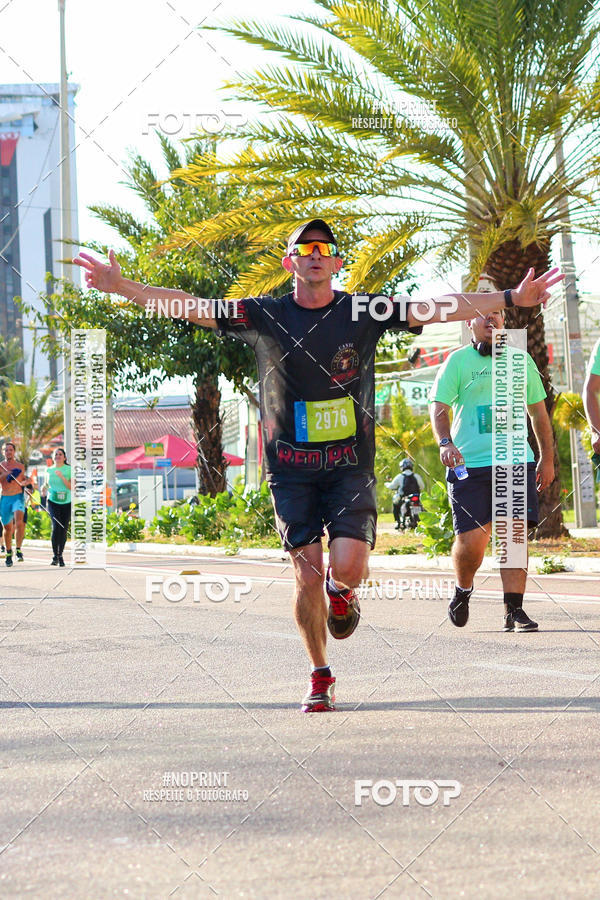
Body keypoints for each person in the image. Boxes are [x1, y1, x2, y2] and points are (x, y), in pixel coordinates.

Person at [73, 222, 563, 710]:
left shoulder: (362, 310)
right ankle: (320, 673)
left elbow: (435, 307)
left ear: (336, 262)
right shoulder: (265, 313)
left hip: (349, 466)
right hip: (289, 468)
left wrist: (509, 298)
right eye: (304, 247)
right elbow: (196, 308)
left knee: (347, 567)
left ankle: (341, 590)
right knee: (305, 575)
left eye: (324, 248)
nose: (314, 253)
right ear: (290, 262)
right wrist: (123, 288)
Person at [429, 309, 555, 632]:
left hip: (515, 459)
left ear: (503, 323)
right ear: (468, 323)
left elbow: (538, 415)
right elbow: (439, 408)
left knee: (514, 536)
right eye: (481, 315)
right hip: (469, 466)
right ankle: (463, 588)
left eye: (496, 315)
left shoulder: (520, 360)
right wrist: (445, 442)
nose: (490, 320)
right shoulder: (457, 362)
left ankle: (514, 609)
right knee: (472, 545)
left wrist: (547, 458)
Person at [0, 441, 32, 567]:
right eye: (6, 450)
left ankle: (18, 548)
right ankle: (9, 552)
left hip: (18, 497)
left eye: (10, 450)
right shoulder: (1, 466)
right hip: (5, 498)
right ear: (3, 452)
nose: (8, 452)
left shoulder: (20, 466)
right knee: (7, 528)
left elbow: (24, 479)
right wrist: (7, 474)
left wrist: (27, 482)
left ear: (14, 451)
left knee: (19, 522)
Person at [41, 447, 72, 567]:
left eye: (60, 454)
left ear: (64, 457)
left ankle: (61, 555)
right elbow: (46, 484)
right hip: (53, 501)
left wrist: (62, 477)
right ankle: (55, 556)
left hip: (66, 502)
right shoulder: (48, 470)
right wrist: (43, 489)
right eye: (56, 454)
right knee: (56, 527)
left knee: (63, 529)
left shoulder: (69, 469)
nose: (58, 456)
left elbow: (71, 487)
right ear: (53, 457)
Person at [385, 458, 425, 529]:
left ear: (402, 467)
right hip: (415, 497)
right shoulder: (416, 476)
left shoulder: (400, 476)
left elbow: (392, 486)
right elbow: (422, 486)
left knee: (395, 503)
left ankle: (398, 521)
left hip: (404, 498)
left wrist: (387, 484)